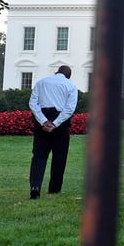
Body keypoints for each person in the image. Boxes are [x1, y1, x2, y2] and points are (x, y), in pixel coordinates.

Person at [28, 65, 78, 199]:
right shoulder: (70, 86)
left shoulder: (41, 83)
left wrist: (43, 121)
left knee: (39, 156)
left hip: (42, 122)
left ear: (56, 72)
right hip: (60, 123)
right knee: (59, 157)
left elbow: (33, 104)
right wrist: (55, 123)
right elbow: (69, 109)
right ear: (68, 76)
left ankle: (35, 186)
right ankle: (54, 189)